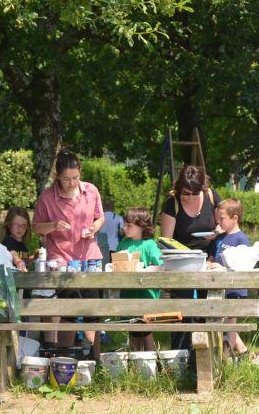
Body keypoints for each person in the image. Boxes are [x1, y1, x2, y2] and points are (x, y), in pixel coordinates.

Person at [31, 150, 104, 352]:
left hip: (89, 257)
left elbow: (100, 217)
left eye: (75, 177)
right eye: (66, 179)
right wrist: (53, 225)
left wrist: (94, 228)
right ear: (57, 176)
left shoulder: (91, 190)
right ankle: (66, 357)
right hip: (62, 260)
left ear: (80, 172)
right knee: (68, 310)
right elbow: (36, 226)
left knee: (92, 310)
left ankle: (94, 357)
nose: (71, 183)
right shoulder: (47, 197)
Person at [159, 165, 220, 351]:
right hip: (181, 264)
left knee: (207, 310)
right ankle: (180, 354)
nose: (191, 197)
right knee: (181, 312)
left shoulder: (212, 196)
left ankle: (206, 353)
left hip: (209, 261)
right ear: (179, 188)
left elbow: (225, 222)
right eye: (186, 193)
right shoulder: (172, 204)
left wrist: (217, 232)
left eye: (195, 193)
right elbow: (166, 241)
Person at [207, 198, 251, 361]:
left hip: (235, 289)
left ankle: (225, 359)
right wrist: (208, 264)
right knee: (226, 323)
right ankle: (243, 352)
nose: (218, 223)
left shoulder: (241, 240)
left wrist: (222, 267)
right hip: (219, 289)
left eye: (222, 219)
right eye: (217, 219)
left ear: (235, 218)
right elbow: (212, 257)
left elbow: (243, 265)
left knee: (230, 326)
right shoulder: (219, 238)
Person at [115, 207, 163, 352]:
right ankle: (135, 362)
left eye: (129, 225)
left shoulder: (149, 245)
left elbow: (161, 265)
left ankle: (152, 361)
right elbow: (118, 265)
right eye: (124, 224)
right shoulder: (123, 244)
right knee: (133, 329)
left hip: (146, 295)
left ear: (141, 226)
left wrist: (146, 270)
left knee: (145, 330)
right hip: (128, 294)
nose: (124, 228)